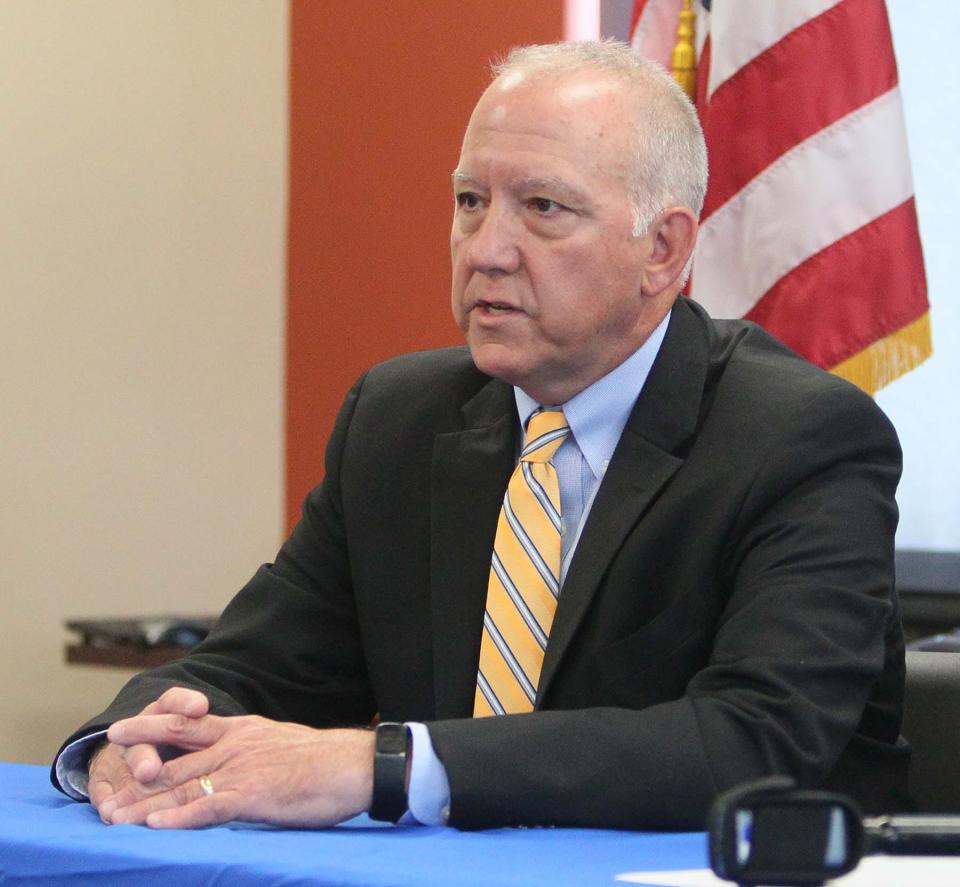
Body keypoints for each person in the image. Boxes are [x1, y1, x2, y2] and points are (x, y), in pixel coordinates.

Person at [51, 40, 909, 832]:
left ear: (663, 249)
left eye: (542, 207)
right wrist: (131, 739)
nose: (486, 249)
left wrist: (385, 765)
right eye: (470, 201)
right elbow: (255, 664)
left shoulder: (801, 440)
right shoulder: (397, 419)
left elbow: (752, 743)